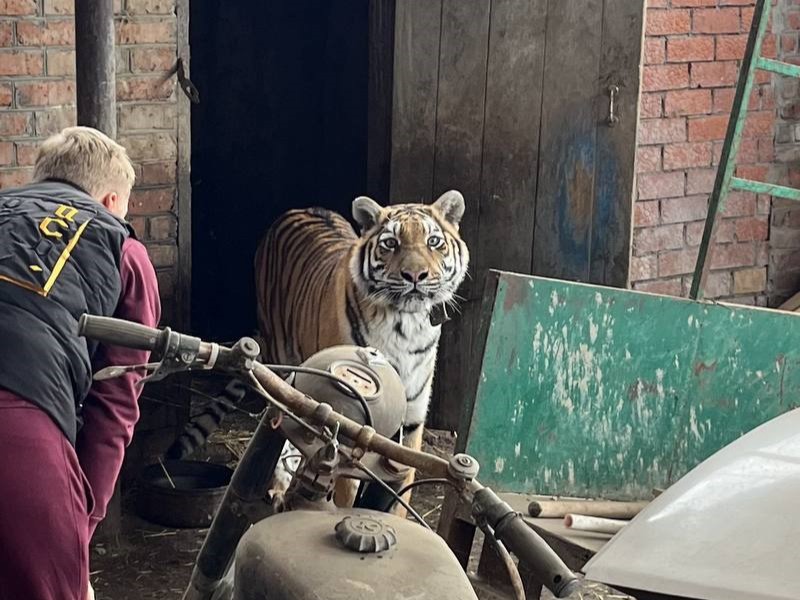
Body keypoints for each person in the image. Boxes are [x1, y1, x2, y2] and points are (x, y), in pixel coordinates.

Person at [0, 126, 161, 600]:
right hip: (19, 426)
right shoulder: (122, 247)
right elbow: (116, 403)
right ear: (112, 202)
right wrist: (81, 520)